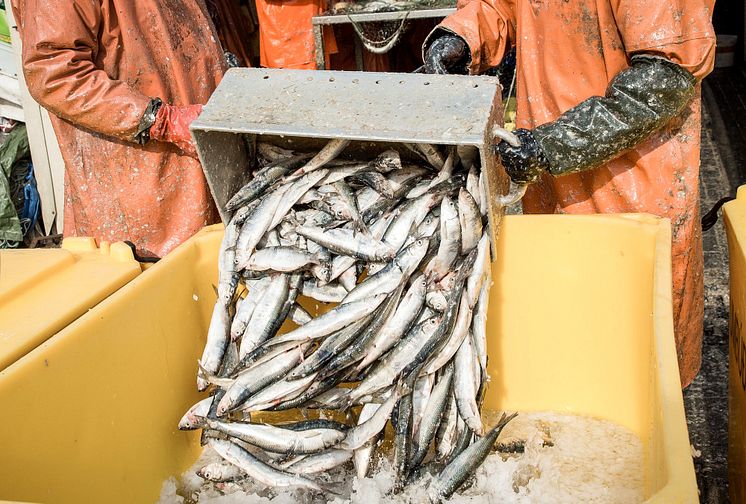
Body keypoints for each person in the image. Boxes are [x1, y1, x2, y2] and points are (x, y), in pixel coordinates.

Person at [424, 1, 716, 387]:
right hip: (550, 188)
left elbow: (664, 81)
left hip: (628, 196)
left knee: (638, 374)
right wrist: (462, 35)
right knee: (571, 358)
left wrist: (553, 146)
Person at [11, 0, 227, 257]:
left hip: (204, 159)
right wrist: (160, 120)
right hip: (141, 185)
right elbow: (54, 74)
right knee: (160, 283)